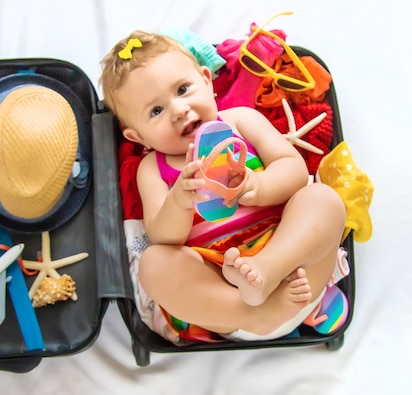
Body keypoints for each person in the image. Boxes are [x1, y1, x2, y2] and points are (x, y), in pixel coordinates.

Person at [99, 30, 347, 341]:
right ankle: (254, 311)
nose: (178, 110)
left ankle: (267, 273)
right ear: (138, 138)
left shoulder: (242, 121)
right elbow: (163, 236)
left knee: (321, 198)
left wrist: (261, 184)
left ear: (207, 80)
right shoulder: (152, 169)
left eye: (183, 89)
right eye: (156, 111)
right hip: (223, 293)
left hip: (291, 269)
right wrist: (179, 202)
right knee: (154, 263)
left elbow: (294, 169)